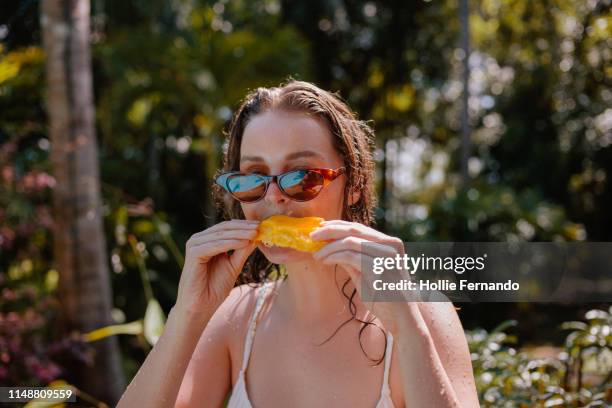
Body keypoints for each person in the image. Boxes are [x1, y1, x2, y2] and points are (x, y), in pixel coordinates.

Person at [117, 80, 479, 408]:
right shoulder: (237, 317)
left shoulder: (422, 313)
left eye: (302, 177)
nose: (273, 198)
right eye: (253, 179)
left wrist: (409, 332)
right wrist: (189, 314)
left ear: (352, 185)